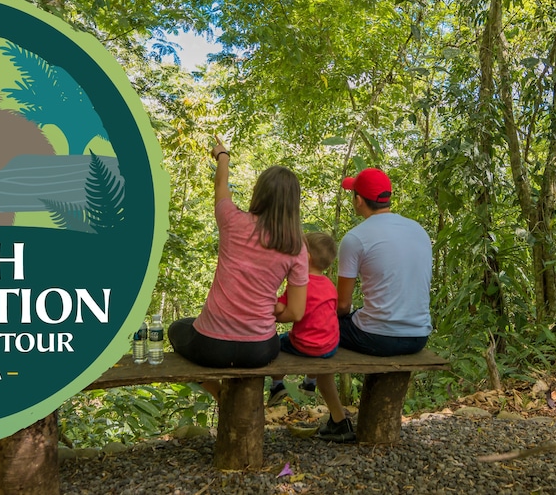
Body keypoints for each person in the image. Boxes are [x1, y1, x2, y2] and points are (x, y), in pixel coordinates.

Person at [168, 136, 309, 397]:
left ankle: (221, 395)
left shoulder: (232, 220)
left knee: (177, 328)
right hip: (260, 349)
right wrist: (270, 309)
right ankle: (231, 399)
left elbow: (221, 185)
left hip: (211, 346)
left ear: (259, 192)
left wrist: (222, 156)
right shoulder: (296, 247)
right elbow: (296, 313)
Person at [316, 167, 433, 443]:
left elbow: (342, 306)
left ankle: (337, 418)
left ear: (359, 200)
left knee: (316, 329)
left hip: (378, 337)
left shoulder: (355, 238)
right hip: (418, 335)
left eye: (353, 194)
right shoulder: (418, 230)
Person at [267, 232, 340, 413]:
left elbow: (281, 309)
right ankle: (310, 382)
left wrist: (272, 309)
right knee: (319, 339)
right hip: (330, 346)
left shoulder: (299, 284)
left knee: (275, 343)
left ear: (305, 257)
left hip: (305, 345)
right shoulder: (330, 285)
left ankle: (277, 384)